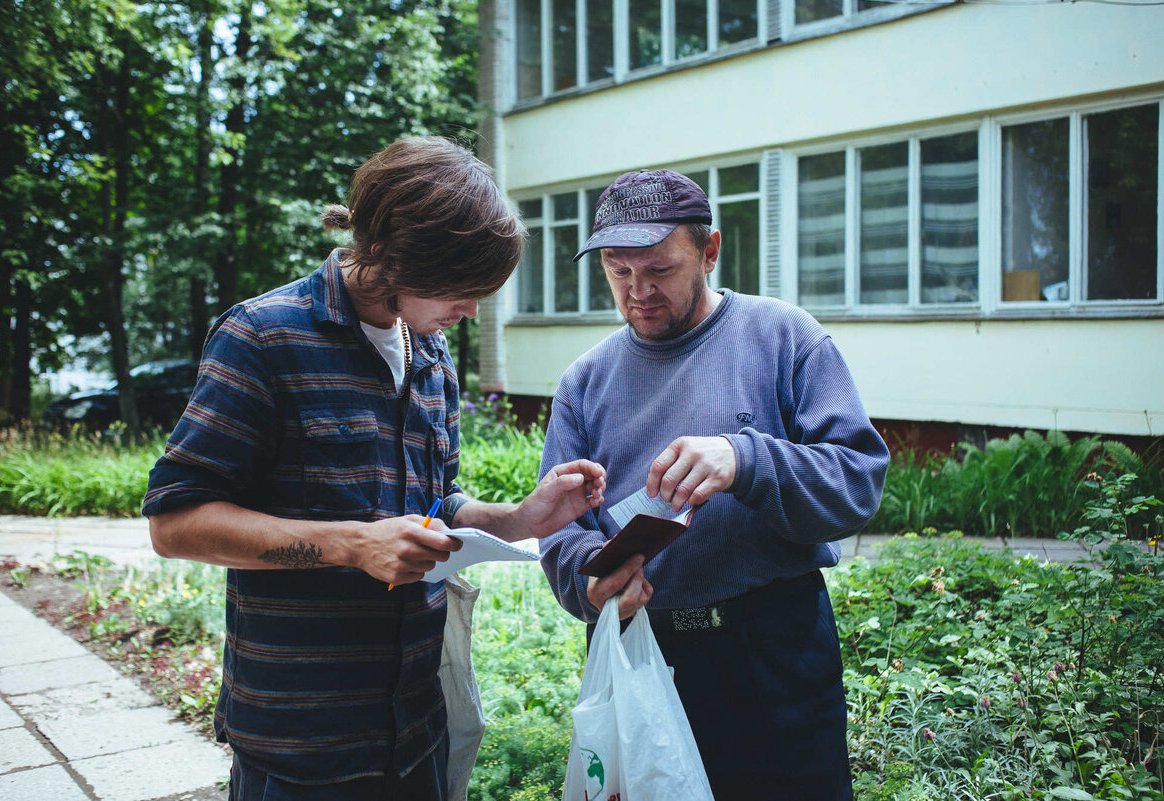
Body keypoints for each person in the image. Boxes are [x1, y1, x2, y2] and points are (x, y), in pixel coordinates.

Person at [142, 136, 606, 801]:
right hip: (303, 744)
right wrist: (354, 544)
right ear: (387, 253)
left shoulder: (432, 352)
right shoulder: (262, 337)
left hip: (417, 728)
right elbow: (175, 521)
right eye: (458, 287)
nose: (471, 310)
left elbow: (433, 504)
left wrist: (519, 517)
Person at [538, 168, 889, 800]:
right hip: (644, 655)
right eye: (619, 271)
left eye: (659, 270)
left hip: (775, 649)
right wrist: (587, 579)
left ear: (710, 250)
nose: (638, 291)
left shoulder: (786, 340)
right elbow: (560, 530)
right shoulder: (583, 384)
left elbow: (858, 482)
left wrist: (746, 459)